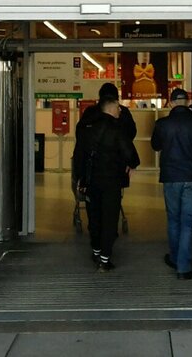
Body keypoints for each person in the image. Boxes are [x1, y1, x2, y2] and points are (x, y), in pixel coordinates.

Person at [151, 88, 192, 280]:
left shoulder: (162, 124)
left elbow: (155, 145)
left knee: (174, 219)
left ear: (171, 103)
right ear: (188, 102)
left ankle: (174, 258)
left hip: (171, 178)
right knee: (188, 222)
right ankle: (184, 267)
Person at [73, 97, 140, 271]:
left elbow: (79, 154)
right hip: (112, 181)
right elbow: (130, 154)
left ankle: (96, 250)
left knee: (94, 216)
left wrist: (80, 178)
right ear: (111, 108)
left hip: (91, 181)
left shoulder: (87, 128)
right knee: (110, 218)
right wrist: (132, 165)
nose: (120, 110)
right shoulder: (117, 128)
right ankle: (104, 258)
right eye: (118, 107)